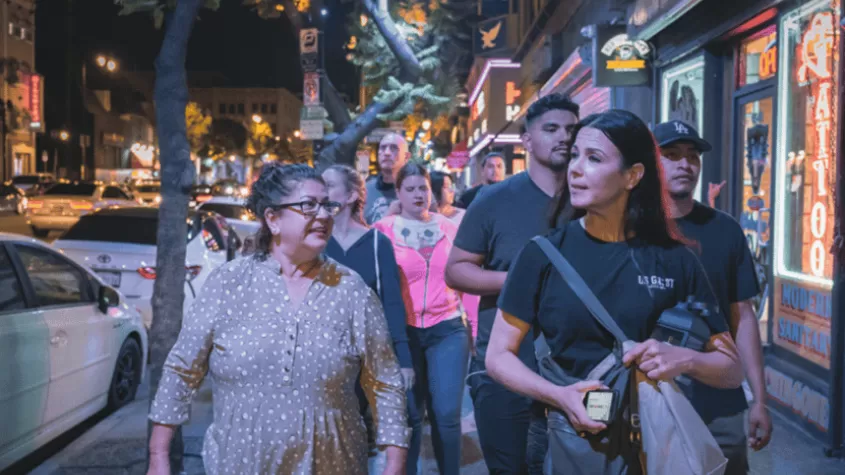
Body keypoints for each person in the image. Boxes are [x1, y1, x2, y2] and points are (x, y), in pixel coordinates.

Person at [485, 110, 744, 470]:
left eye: (593, 158)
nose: (575, 168)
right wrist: (560, 396)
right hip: (570, 442)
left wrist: (684, 359)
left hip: (656, 443)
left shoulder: (675, 259)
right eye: (574, 155)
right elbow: (497, 357)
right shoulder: (542, 255)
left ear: (633, 176)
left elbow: (731, 369)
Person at [147, 163, 409, 475]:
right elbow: (182, 369)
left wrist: (395, 464)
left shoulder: (351, 290)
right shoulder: (229, 284)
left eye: (326, 204)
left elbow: (385, 382)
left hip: (334, 464)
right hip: (239, 465)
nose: (324, 214)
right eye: (309, 205)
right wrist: (158, 456)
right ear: (273, 218)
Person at [445, 93, 579, 474]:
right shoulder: (493, 199)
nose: (564, 137)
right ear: (528, 141)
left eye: (571, 129)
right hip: (504, 365)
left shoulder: (592, 199)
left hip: (576, 366)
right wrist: (523, 281)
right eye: (551, 129)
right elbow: (456, 271)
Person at [655, 119, 771, 474]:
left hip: (721, 396)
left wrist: (760, 401)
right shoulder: (634, 228)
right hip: (654, 393)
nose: (685, 164)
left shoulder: (725, 230)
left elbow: (744, 317)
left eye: (692, 156)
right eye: (671, 155)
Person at [374, 163, 471, 475]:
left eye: (423, 188)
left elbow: (467, 278)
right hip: (404, 335)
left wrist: (475, 328)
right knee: (411, 416)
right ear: (399, 193)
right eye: (411, 188)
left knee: (446, 415)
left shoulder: (450, 227)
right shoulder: (384, 229)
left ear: (432, 191)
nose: (418, 194)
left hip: (448, 328)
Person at [322, 164, 414, 451]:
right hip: (321, 355)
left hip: (363, 354)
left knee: (354, 435)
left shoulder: (377, 244)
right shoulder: (315, 241)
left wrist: (404, 360)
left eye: (328, 186)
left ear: (350, 196)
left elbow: (392, 304)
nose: (321, 193)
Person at [431, 170, 477, 340]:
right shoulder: (425, 220)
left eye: (452, 187)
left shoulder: (463, 216)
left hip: (463, 277)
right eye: (447, 187)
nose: (452, 191)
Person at [365, 133, 410, 224]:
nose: (387, 153)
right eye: (383, 148)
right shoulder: (365, 190)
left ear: (406, 157)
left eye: (394, 148)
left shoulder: (417, 191)